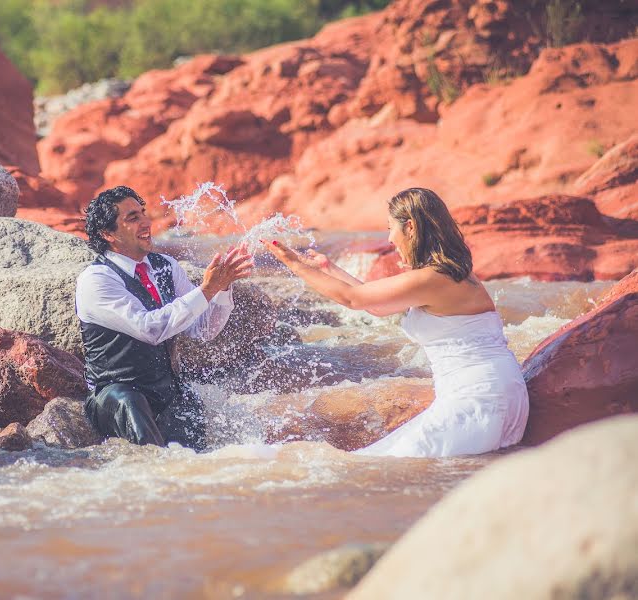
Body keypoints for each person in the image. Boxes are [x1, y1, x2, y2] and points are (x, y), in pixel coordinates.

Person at [266, 187, 529, 457]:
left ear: (411, 227)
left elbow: (353, 300)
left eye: (390, 227)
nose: (390, 238)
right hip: (496, 394)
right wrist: (329, 269)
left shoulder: (433, 279)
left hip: (479, 400)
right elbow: (376, 306)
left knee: (383, 467)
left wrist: (293, 264)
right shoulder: (449, 275)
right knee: (377, 461)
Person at [76, 186, 253, 450]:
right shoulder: (97, 280)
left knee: (189, 407)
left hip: (165, 390)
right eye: (133, 218)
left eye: (143, 214)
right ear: (108, 234)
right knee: (130, 403)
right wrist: (206, 289)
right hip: (115, 397)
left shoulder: (165, 267)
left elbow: (203, 330)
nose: (146, 222)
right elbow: (150, 328)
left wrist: (222, 288)